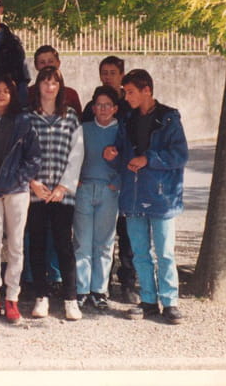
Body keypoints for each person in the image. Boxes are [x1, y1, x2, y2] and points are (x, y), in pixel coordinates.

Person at [103, 69, 188, 325]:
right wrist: (112, 155)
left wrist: (148, 159)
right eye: (125, 92)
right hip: (133, 195)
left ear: (146, 90)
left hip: (162, 197)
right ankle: (148, 300)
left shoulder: (169, 118)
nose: (126, 97)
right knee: (140, 252)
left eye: (130, 92)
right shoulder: (127, 120)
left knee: (165, 252)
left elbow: (180, 155)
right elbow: (122, 156)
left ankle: (170, 302)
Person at [0, 77, 41, 323]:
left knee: (15, 245)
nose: (1, 95)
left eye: (6, 91)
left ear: (12, 95)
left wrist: (19, 178)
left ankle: (12, 298)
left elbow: (34, 157)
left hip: (16, 191)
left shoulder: (23, 121)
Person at [26, 66, 84, 321]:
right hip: (36, 192)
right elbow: (21, 153)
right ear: (38, 85)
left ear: (60, 87)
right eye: (45, 82)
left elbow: (77, 154)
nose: (49, 87)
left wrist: (63, 186)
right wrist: (32, 182)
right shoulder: (29, 118)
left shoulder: (70, 117)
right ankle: (41, 297)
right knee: (37, 243)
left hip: (62, 193)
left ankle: (71, 299)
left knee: (63, 244)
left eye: (54, 83)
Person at [80, 55, 138, 304]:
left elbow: (131, 150)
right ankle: (89, 287)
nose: (108, 77)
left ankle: (123, 283)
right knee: (86, 239)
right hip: (90, 185)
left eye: (113, 72)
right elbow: (80, 149)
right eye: (104, 72)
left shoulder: (128, 108)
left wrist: (120, 179)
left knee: (121, 237)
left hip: (117, 186)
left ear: (121, 75)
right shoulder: (89, 113)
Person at [73, 85, 121, 312]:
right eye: (99, 105)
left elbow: (127, 159)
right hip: (84, 189)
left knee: (104, 242)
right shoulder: (83, 129)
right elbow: (73, 156)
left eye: (107, 105)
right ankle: (82, 289)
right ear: (92, 108)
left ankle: (99, 290)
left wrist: (116, 182)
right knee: (82, 241)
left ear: (115, 108)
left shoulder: (121, 130)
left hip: (108, 190)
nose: (103, 109)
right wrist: (76, 180)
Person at [28, 45, 82, 118]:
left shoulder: (71, 94)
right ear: (36, 66)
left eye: (50, 61)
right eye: (42, 62)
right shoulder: (28, 93)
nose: (47, 65)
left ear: (58, 63)